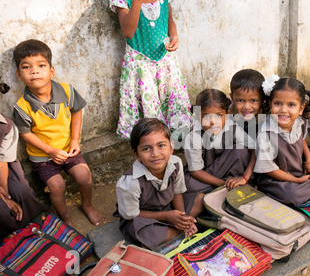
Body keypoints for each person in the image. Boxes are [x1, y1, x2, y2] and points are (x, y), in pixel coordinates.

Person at [12, 39, 105, 227]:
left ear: (51, 70)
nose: (34, 71)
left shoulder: (66, 90)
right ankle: (65, 216)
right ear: (19, 75)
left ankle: (87, 205)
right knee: (57, 186)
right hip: (42, 156)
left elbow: (77, 110)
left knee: (84, 176)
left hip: (68, 149)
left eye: (41, 65)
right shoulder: (22, 107)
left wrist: (75, 140)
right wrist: (50, 151)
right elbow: (26, 134)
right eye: (26, 67)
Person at [110, 0, 192, 139]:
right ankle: (154, 142)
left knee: (172, 104)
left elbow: (169, 20)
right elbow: (128, 32)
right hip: (141, 67)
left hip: (165, 62)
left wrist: (174, 36)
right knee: (151, 118)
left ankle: (174, 144)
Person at [115, 118, 200, 249]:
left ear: (171, 147)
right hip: (143, 218)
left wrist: (183, 220)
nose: (155, 154)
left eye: (161, 145)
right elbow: (131, 215)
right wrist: (167, 217)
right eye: (146, 149)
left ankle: (176, 231)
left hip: (168, 207)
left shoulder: (176, 163)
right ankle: (173, 232)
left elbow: (177, 193)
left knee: (200, 199)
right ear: (136, 154)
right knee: (149, 233)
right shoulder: (130, 182)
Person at [253, 77, 310, 207]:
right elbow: (270, 170)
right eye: (278, 103)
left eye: (291, 105)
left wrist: (309, 159)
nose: (283, 110)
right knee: (292, 195)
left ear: (301, 108)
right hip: (276, 178)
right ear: (270, 104)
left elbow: (301, 139)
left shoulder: (301, 121)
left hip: (298, 164)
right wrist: (296, 180)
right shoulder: (265, 133)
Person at [183, 89, 253, 206]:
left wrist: (245, 177)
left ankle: (231, 186)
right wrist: (223, 183)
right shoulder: (193, 136)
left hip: (229, 174)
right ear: (197, 115)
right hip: (206, 177)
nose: (212, 122)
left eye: (219, 115)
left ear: (227, 113)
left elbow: (254, 150)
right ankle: (230, 188)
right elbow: (196, 171)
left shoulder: (232, 127)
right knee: (188, 184)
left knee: (241, 149)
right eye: (206, 116)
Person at [0, 83, 48, 241]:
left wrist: (6, 194)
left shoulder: (5, 125)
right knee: (3, 211)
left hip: (3, 171)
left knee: (22, 192)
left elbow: (2, 161)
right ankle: (10, 243)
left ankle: (35, 233)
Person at [229, 69, 268, 185]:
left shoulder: (265, 119)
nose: (247, 107)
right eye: (240, 100)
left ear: (263, 100)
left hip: (259, 162)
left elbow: (258, 151)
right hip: (236, 161)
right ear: (231, 97)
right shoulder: (227, 114)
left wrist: (245, 178)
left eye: (254, 101)